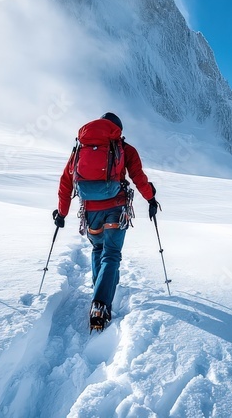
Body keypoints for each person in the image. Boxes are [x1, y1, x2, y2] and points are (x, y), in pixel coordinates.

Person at [52, 112, 159, 331]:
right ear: (117, 130)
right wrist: (151, 198)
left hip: (90, 211)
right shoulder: (124, 148)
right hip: (116, 208)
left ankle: (98, 296)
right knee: (111, 254)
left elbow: (66, 182)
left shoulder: (80, 149)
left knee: (98, 249)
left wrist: (61, 213)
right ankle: (101, 305)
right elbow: (138, 177)